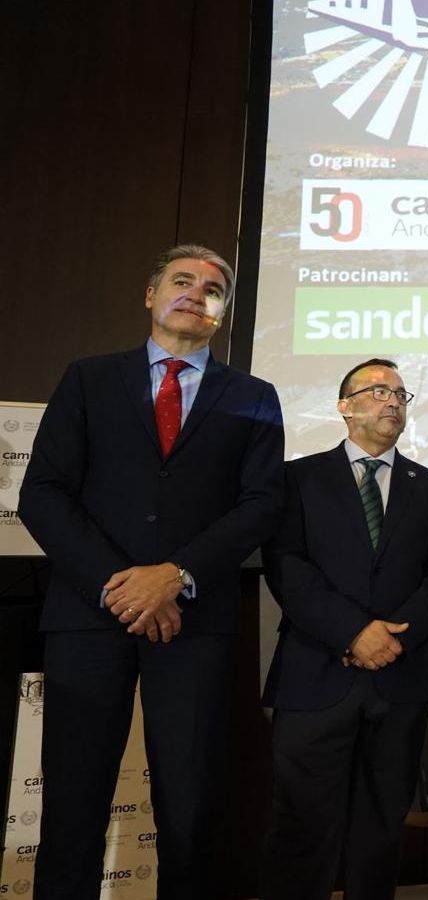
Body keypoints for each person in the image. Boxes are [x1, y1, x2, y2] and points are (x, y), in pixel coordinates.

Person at [18, 244, 285, 899]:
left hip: (193, 623)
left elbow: (261, 505)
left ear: (223, 313)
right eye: (182, 280)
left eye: (213, 288)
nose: (197, 292)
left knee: (190, 811)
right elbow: (43, 493)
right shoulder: (88, 379)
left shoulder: (253, 396)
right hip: (88, 617)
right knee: (73, 810)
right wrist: (121, 583)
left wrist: (175, 574)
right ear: (150, 294)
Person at [259, 359, 428, 900]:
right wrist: (354, 632)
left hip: (401, 677)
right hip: (315, 678)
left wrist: (394, 639)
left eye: (400, 394)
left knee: (381, 831)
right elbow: (287, 567)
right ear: (345, 407)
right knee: (300, 829)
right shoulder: (296, 478)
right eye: (377, 391)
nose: (392, 401)